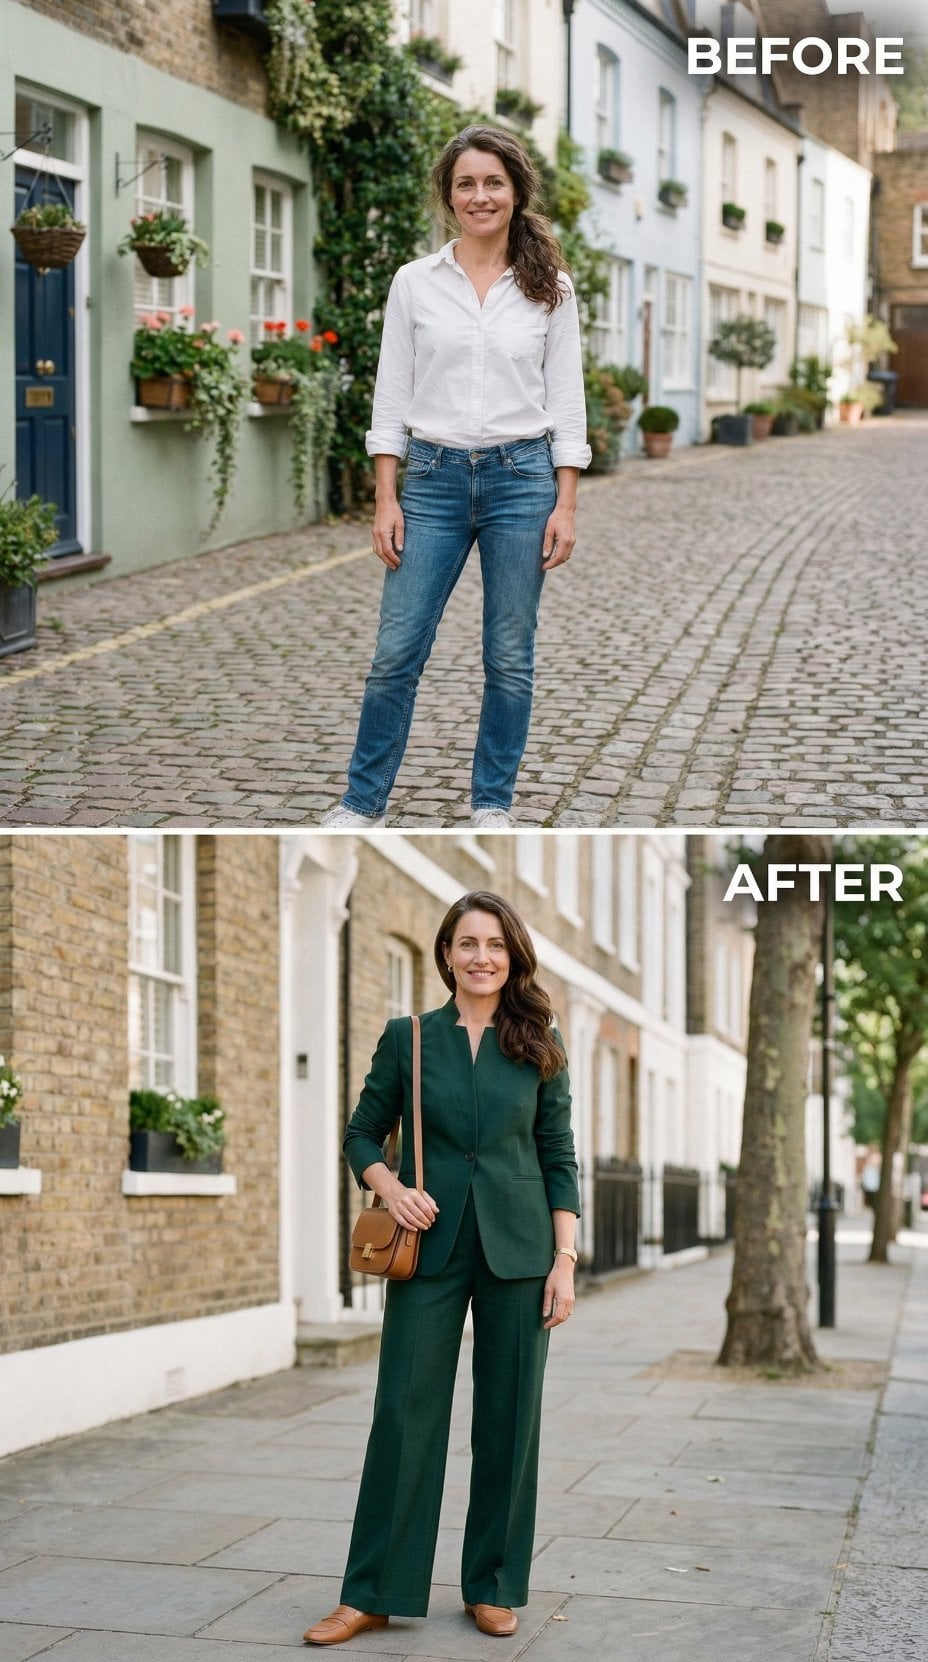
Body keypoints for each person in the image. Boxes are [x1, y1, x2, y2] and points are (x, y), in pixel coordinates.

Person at [303, 891, 580, 1645]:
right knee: (403, 1413)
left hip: (521, 1252)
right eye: (466, 944)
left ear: (512, 954)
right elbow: (362, 1135)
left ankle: (492, 1584)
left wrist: (565, 1259)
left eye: (494, 944)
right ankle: (372, 1592)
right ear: (446, 954)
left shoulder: (540, 1040)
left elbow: (559, 1155)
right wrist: (391, 1190)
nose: (481, 957)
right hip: (429, 1248)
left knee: (509, 1420)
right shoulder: (410, 1038)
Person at [321, 124, 591, 832]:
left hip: (523, 481)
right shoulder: (414, 282)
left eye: (493, 183)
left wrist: (565, 502)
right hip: (433, 480)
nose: (480, 196)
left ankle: (491, 800)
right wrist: (386, 495)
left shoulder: (550, 290)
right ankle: (361, 801)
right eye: (466, 183)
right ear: (448, 195)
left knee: (509, 655)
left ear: (516, 191)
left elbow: (566, 404)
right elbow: (390, 395)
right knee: (396, 650)